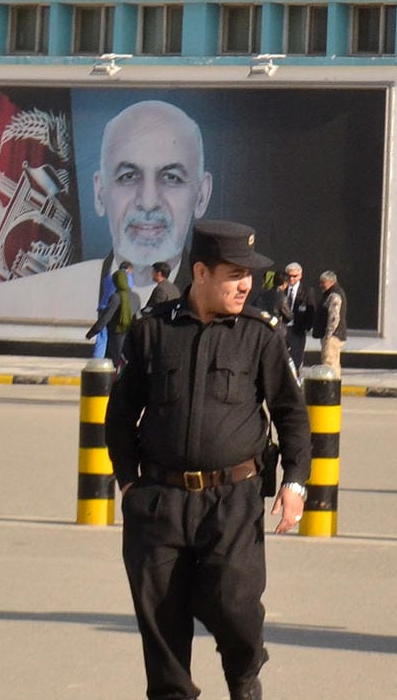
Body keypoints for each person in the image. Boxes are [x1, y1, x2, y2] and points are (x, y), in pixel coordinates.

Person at [104, 220, 309, 700]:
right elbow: (119, 414)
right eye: (235, 274)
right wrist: (129, 484)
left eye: (250, 275)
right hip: (158, 503)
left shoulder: (260, 336)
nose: (247, 285)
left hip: (232, 503)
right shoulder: (153, 331)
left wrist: (295, 482)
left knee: (235, 607)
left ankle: (243, 676)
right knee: (162, 627)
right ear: (200, 272)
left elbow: (291, 416)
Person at [0, 98, 214, 323]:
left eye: (171, 178)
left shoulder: (228, 298)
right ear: (100, 192)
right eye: (128, 176)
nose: (149, 201)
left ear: (202, 196)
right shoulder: (19, 302)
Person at [87, 265, 138, 362]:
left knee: (102, 335)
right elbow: (127, 292)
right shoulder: (128, 279)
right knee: (116, 337)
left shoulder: (109, 278)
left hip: (103, 307)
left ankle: (97, 357)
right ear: (129, 269)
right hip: (118, 309)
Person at [274, 263, 316, 378]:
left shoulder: (307, 291)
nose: (292, 279)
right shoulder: (282, 289)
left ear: (300, 276)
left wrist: (307, 327)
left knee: (296, 358)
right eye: (289, 276)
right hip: (283, 328)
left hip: (298, 329)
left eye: (295, 276)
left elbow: (311, 311)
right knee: (281, 356)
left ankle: (294, 380)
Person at [316, 271, 347, 374]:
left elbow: (334, 317)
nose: (321, 285)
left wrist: (328, 335)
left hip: (332, 336)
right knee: (334, 364)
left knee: (329, 364)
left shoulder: (334, 295)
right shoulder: (330, 293)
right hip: (335, 335)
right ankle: (335, 387)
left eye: (323, 282)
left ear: (332, 282)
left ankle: (331, 388)